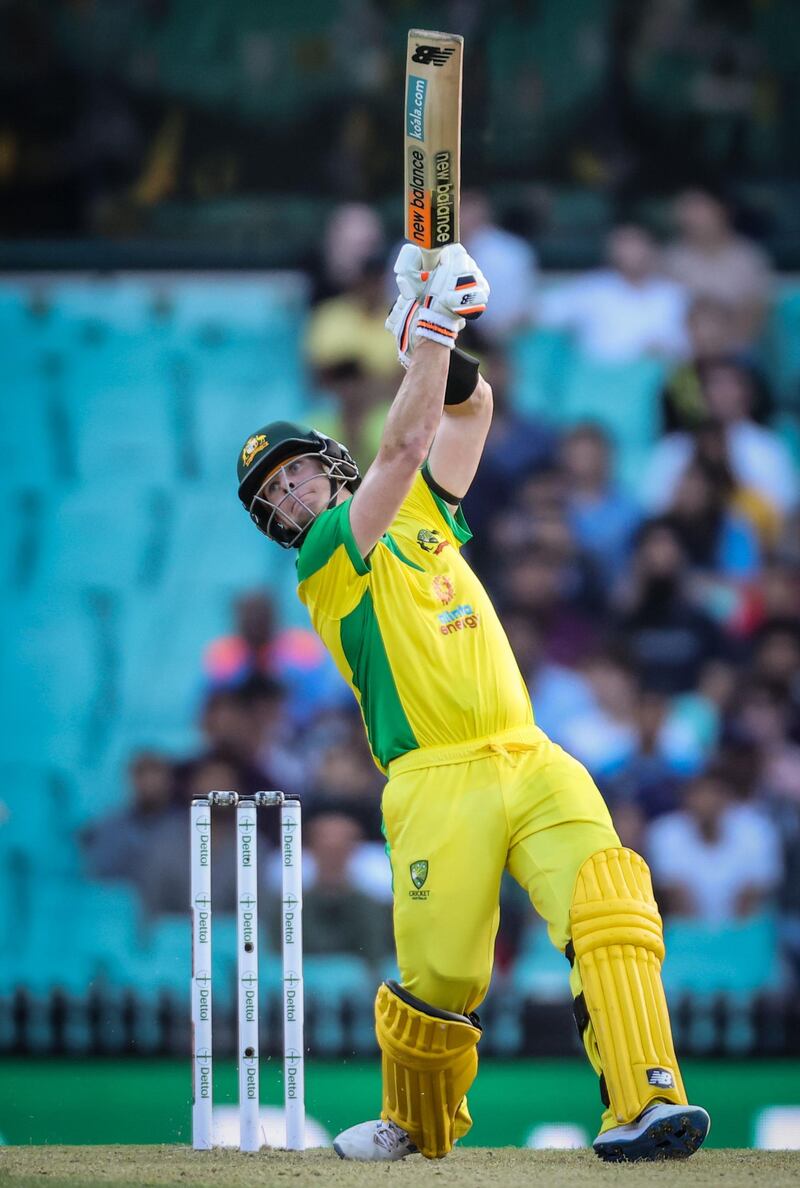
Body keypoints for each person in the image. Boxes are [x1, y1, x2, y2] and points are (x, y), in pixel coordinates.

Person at [235, 243, 710, 1163]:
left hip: (528, 754)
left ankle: (646, 1103)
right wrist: (431, 328)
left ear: (325, 463)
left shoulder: (418, 510)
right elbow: (406, 439)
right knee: (445, 973)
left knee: (608, 902)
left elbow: (467, 411)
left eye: (296, 470)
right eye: (274, 493)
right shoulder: (327, 560)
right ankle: (414, 1124)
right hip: (434, 778)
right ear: (279, 522)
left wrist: (435, 341)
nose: (291, 490)